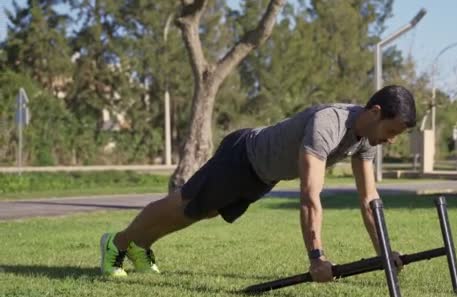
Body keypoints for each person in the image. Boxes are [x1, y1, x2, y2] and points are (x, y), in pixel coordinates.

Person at [100, 85, 416, 282]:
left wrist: (384, 252)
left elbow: (369, 200)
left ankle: (141, 246)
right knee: (185, 204)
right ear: (375, 112)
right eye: (393, 131)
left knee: (201, 212)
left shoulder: (367, 140)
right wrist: (317, 257)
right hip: (242, 156)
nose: (391, 140)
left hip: (263, 175)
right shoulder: (329, 124)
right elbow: (309, 196)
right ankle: (119, 243)